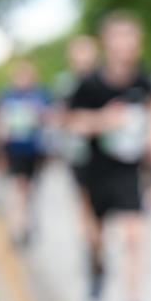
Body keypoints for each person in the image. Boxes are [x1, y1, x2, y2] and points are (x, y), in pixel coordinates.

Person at [68, 11, 151, 301]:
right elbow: (70, 123)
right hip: (94, 170)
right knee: (95, 236)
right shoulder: (89, 84)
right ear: (106, 43)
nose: (125, 44)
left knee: (134, 237)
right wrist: (104, 121)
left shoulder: (144, 80)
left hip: (129, 171)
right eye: (119, 37)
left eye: (131, 37)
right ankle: (97, 266)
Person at [52, 35, 101, 259]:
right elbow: (58, 116)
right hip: (77, 153)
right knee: (84, 201)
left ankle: (97, 239)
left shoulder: (103, 80)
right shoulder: (65, 84)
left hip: (104, 153)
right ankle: (91, 244)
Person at [0, 59, 50, 248]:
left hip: (35, 151)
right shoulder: (6, 96)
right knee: (19, 187)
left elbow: (50, 118)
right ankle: (19, 227)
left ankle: (25, 220)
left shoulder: (41, 95)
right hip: (14, 150)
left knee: (29, 189)